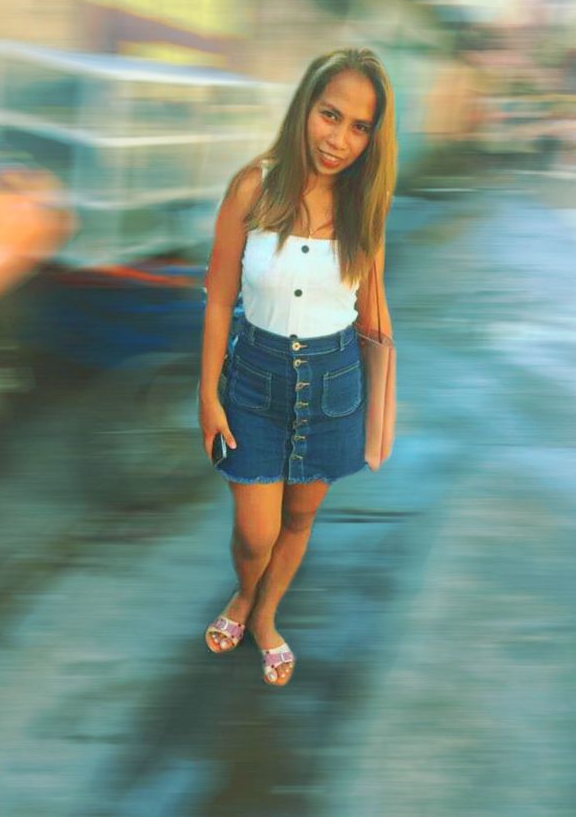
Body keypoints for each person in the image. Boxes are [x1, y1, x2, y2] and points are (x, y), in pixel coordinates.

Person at [199, 47, 396, 687]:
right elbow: (219, 298)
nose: (339, 140)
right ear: (305, 108)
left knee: (300, 519)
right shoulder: (253, 187)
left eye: (359, 126)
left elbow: (373, 312)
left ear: (373, 136)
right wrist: (207, 394)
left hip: (334, 383)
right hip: (253, 380)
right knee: (254, 534)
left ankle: (264, 615)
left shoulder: (367, 207)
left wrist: (381, 409)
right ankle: (244, 590)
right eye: (330, 115)